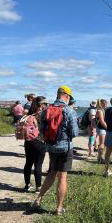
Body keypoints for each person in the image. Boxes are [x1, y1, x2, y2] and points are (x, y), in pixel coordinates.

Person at [33, 86, 78, 215]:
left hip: (51, 147)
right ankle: (59, 208)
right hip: (65, 148)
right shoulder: (69, 111)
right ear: (67, 96)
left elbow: (41, 131)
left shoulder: (46, 110)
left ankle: (38, 199)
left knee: (52, 173)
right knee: (62, 176)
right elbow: (74, 133)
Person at [19, 97, 49, 192]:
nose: (47, 106)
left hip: (28, 142)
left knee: (28, 163)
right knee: (38, 164)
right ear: (41, 105)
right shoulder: (43, 115)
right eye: (45, 104)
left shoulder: (28, 115)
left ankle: (27, 185)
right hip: (39, 141)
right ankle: (38, 187)